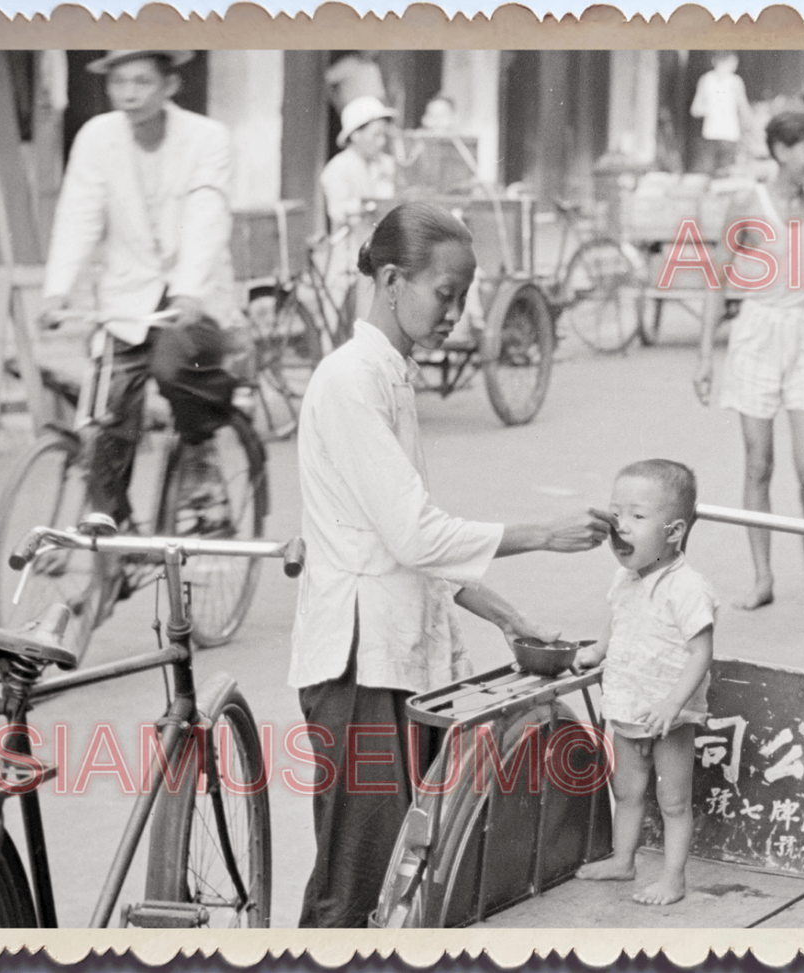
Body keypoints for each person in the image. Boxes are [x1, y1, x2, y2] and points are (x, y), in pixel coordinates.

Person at [289, 200, 611, 927]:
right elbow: (413, 534)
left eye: (465, 298)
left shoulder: (390, 375)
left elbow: (407, 540)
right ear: (393, 279)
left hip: (397, 654)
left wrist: (505, 613)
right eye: (445, 294)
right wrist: (542, 534)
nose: (455, 314)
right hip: (357, 664)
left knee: (409, 876)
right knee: (355, 881)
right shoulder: (350, 381)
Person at [38, 49, 238, 535]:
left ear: (170, 85)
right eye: (119, 82)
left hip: (196, 295)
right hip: (125, 296)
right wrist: (56, 290)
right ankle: (112, 523)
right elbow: (79, 214)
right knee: (106, 410)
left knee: (176, 367)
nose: (128, 93)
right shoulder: (97, 137)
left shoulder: (207, 138)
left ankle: (200, 459)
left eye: (142, 82)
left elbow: (207, 214)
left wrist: (189, 289)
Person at [694, 111, 804, 611]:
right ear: (782, 151)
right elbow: (718, 279)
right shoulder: (748, 204)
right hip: (757, 333)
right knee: (759, 463)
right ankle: (763, 575)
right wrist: (704, 358)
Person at [575, 460, 717, 906]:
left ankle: (674, 878)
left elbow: (701, 652)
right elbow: (617, 619)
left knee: (673, 801)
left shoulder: (687, 588)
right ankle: (623, 860)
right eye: (617, 514)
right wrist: (598, 650)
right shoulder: (625, 578)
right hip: (627, 704)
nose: (622, 527)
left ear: (674, 532)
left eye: (638, 516)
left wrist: (673, 705)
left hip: (668, 719)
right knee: (627, 791)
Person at [320, 95, 401, 345]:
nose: (381, 141)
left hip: (380, 247)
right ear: (355, 135)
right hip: (347, 248)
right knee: (332, 312)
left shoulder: (385, 165)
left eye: (382, 135)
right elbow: (337, 211)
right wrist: (364, 205)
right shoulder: (338, 168)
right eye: (375, 135)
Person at [690, 51, 751, 175]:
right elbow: (695, 109)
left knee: (724, 175)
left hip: (729, 134)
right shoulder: (707, 79)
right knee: (708, 174)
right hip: (711, 134)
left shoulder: (735, 81)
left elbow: (743, 107)